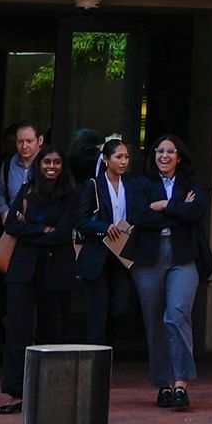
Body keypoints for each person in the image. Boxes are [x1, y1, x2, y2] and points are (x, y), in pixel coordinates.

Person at [124, 133, 209, 410]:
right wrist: (178, 211)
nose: (164, 156)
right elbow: (138, 216)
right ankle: (164, 384)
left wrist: (165, 206)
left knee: (176, 315)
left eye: (170, 152)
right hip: (149, 257)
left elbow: (196, 212)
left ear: (179, 156)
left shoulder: (192, 183)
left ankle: (181, 383)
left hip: (183, 256)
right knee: (155, 322)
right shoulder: (140, 184)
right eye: (160, 151)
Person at [0, 143, 84, 411]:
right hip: (23, 272)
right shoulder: (27, 190)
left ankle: (50, 394)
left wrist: (30, 230)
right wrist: (41, 230)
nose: (51, 167)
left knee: (54, 333)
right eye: (46, 162)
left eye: (56, 162)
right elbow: (12, 223)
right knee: (17, 332)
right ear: (39, 165)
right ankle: (16, 393)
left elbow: (62, 234)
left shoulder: (71, 195)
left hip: (56, 273)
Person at [0, 119, 48, 413]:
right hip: (15, 247)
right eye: (19, 142)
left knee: (45, 319)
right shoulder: (7, 166)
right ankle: (15, 391)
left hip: (45, 253)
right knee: (17, 318)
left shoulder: (50, 167)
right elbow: (0, 194)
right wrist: (3, 212)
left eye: (28, 141)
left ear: (40, 141)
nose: (24, 147)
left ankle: (43, 391)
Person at [77, 134, 138, 349]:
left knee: (119, 307)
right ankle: (95, 359)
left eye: (126, 157)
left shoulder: (131, 185)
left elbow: (137, 213)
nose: (123, 161)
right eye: (118, 157)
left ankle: (109, 353)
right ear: (105, 159)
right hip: (98, 254)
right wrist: (104, 227)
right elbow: (81, 220)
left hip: (121, 254)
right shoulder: (92, 185)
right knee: (97, 310)